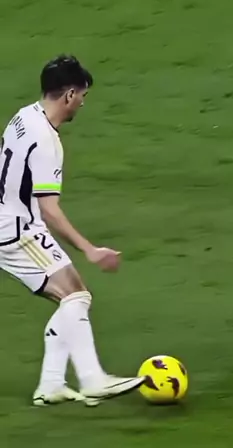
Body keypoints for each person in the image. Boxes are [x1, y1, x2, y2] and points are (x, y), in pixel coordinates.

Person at [0, 55, 144, 405]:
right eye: (82, 95)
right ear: (68, 95)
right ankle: (92, 379)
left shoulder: (24, 116)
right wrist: (90, 249)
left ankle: (51, 384)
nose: (82, 102)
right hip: (18, 231)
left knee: (73, 297)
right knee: (75, 296)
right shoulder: (47, 142)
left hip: (12, 219)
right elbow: (50, 210)